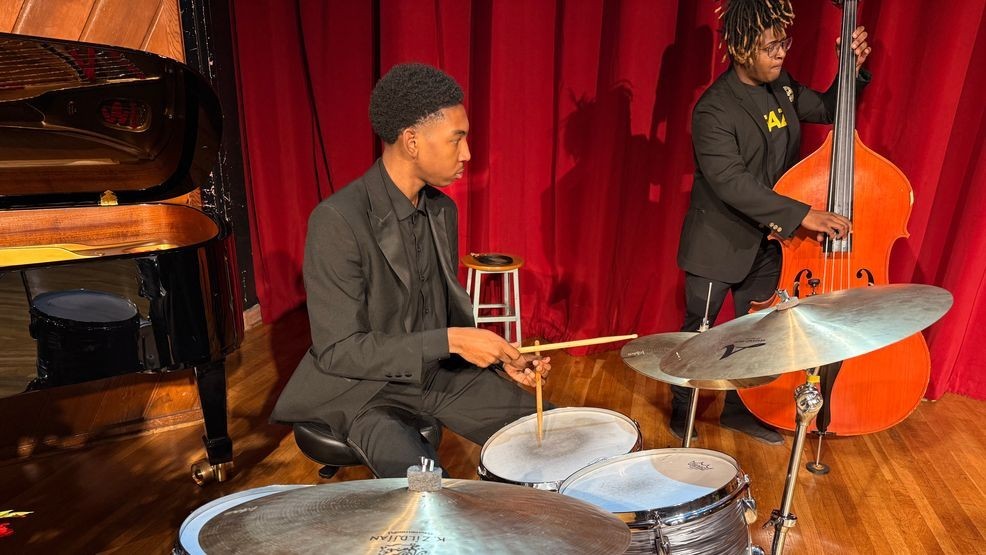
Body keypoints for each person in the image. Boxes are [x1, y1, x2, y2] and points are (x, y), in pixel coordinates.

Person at [271, 63, 550, 477]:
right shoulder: (337, 220)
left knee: (559, 435)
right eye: (457, 139)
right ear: (412, 141)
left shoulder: (443, 210)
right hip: (367, 392)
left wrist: (498, 360)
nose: (468, 153)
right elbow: (339, 350)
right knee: (428, 495)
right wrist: (450, 339)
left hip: (439, 377)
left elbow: (440, 321)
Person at [670, 0, 871, 443]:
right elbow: (731, 182)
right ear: (742, 50)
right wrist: (803, 215)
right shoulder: (713, 110)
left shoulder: (782, 86)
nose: (781, 54)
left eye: (784, 43)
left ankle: (741, 412)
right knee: (698, 331)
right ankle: (682, 413)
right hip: (718, 242)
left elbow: (828, 109)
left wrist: (850, 69)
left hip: (769, 243)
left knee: (756, 334)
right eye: (770, 47)